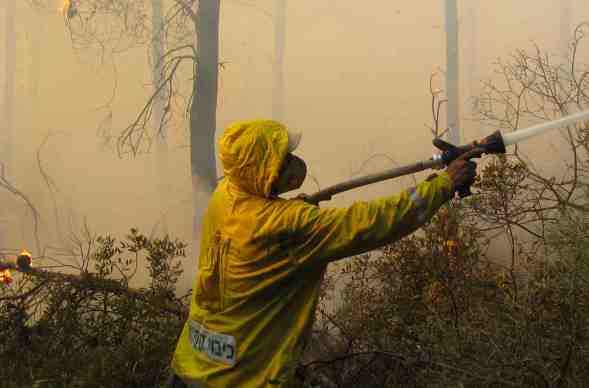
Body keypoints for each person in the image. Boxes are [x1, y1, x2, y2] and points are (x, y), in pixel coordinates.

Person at [167, 120, 481, 387]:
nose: (291, 162)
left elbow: (261, 218)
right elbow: (373, 222)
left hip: (190, 366)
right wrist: (442, 185)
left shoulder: (227, 192)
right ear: (261, 169)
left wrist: (292, 207)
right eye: (282, 157)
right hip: (243, 379)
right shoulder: (288, 225)